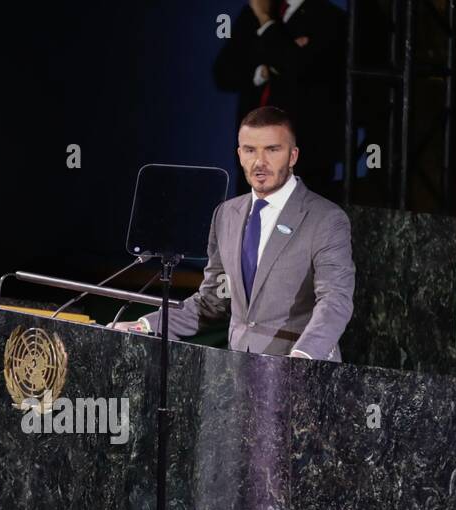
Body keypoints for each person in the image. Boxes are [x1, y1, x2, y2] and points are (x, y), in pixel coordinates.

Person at [112, 106, 354, 362]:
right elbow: (213, 301)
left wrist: (302, 358)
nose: (260, 162)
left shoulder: (326, 219)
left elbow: (334, 301)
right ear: (239, 155)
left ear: (293, 156)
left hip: (301, 375)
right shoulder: (226, 214)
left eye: (273, 150)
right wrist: (146, 325)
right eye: (250, 150)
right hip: (237, 373)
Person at [213, 0, 347, 199]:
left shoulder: (330, 17)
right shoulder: (254, 11)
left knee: (301, 226)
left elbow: (299, 68)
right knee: (249, 224)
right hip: (252, 157)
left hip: (304, 159)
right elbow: (224, 72)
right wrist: (265, 69)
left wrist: (266, 23)